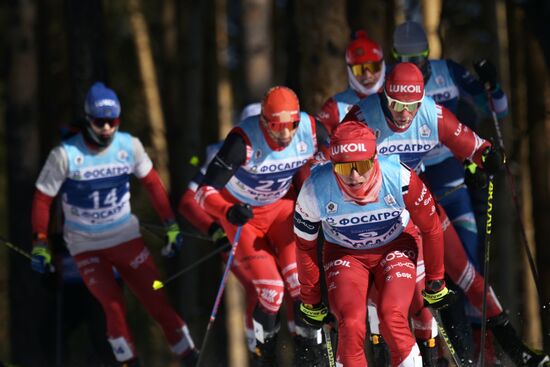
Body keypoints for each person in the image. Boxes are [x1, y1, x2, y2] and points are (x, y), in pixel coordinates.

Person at [344, 63, 550, 367]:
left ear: (421, 100)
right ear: (384, 95)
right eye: (395, 104)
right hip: (378, 218)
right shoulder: (362, 117)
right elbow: (335, 161)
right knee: (412, 291)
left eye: (410, 105)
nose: (403, 113)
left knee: (467, 275)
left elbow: (474, 145)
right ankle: (426, 356)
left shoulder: (432, 114)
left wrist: (485, 160)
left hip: (419, 203)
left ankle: (517, 350)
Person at [30, 82, 199, 367]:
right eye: (100, 122)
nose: (107, 128)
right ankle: (129, 363)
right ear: (88, 119)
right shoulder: (65, 154)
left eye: (113, 121)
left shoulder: (129, 145)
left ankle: (192, 357)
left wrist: (170, 224)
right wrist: (40, 243)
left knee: (158, 301)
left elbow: (154, 185)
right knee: (113, 307)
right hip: (85, 246)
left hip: (126, 239)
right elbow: (42, 200)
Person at [294, 120, 453, 366]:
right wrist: (310, 299)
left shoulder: (399, 178)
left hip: (396, 245)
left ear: (375, 159)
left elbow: (431, 227)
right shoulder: (315, 189)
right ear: (332, 165)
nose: (355, 176)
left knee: (392, 317)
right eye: (344, 169)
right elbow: (305, 246)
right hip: (346, 255)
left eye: (362, 166)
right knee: (351, 322)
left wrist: (436, 280)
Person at [194, 86, 330, 366]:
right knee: (271, 291)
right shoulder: (242, 140)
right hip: (246, 220)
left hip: (281, 211)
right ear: (263, 122)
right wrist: (228, 211)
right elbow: (203, 192)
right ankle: (263, 356)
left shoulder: (311, 129)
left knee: (302, 284)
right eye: (277, 127)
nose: (285, 134)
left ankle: (312, 356)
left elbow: (337, 157)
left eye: (291, 125)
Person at [317, 30, 385, 135]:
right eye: (358, 70)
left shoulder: (396, 97)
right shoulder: (335, 106)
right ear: (349, 70)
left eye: (373, 67)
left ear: (382, 65)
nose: (367, 75)